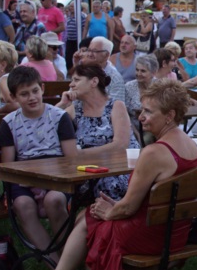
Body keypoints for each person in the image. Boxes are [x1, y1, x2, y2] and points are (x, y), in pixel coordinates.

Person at [8, 80, 197, 270]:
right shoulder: (190, 145)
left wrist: (112, 211)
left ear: (170, 115)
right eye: (141, 110)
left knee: (94, 227)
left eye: (148, 112)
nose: (141, 117)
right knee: (88, 216)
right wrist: (112, 209)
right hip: (174, 230)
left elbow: (129, 207)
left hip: (153, 235)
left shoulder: (154, 152)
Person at [0, 66, 78, 260]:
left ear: (42, 88)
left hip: (57, 175)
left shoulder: (59, 117)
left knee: (54, 200)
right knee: (23, 205)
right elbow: (9, 167)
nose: (32, 97)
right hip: (24, 177)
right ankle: (56, 266)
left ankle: (67, 259)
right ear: (14, 97)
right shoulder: (9, 122)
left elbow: (71, 160)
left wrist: (49, 176)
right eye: (24, 94)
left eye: (35, 91)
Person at [57, 63, 137, 202]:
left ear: (94, 81)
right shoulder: (76, 108)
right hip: (89, 170)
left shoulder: (115, 105)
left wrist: (80, 154)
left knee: (107, 185)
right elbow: (49, 124)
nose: (71, 85)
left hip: (120, 169)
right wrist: (62, 104)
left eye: (76, 80)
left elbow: (120, 145)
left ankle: (101, 218)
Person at [82, 37, 126, 104]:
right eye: (89, 50)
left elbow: (116, 106)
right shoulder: (82, 71)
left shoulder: (115, 78)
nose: (90, 54)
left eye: (94, 51)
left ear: (106, 55)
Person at [123, 53, 158, 118]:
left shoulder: (160, 87)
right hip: (133, 124)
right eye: (137, 70)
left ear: (153, 73)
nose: (139, 74)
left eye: (143, 71)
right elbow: (124, 112)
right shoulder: (128, 87)